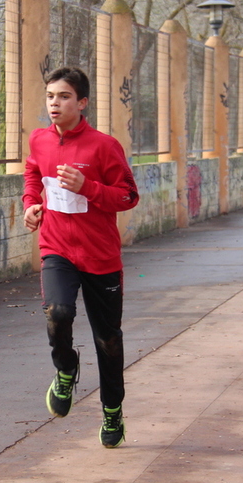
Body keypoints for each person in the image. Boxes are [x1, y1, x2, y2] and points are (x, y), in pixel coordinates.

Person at [22, 66, 140, 448]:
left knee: (107, 339)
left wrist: (87, 187)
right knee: (57, 312)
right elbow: (32, 176)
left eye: (64, 96)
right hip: (56, 247)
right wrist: (31, 205)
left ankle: (112, 412)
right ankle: (67, 368)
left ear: (82, 102)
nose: (55, 103)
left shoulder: (104, 146)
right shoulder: (39, 140)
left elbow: (127, 196)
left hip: (100, 256)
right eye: (51, 96)